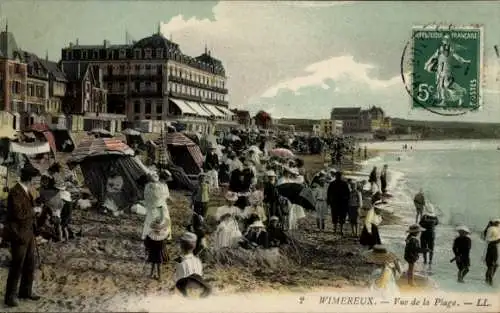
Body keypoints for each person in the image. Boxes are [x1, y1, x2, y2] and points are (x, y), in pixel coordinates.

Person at [4, 165, 41, 307]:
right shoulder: (15, 192)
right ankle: (10, 297)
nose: (34, 183)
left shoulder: (26, 191)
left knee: (30, 264)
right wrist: (34, 210)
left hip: (28, 232)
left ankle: (25, 291)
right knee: (17, 265)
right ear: (29, 179)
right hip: (18, 233)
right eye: (34, 179)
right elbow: (18, 214)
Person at [174, 232, 211, 298]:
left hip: (186, 289)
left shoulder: (179, 262)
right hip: (198, 289)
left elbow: (178, 279)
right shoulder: (198, 261)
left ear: (181, 245)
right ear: (194, 246)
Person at [142, 172, 172, 241]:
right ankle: (161, 235)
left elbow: (146, 197)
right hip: (158, 205)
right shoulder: (156, 186)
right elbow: (159, 196)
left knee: (151, 219)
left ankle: (149, 235)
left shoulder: (149, 186)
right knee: (161, 219)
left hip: (155, 205)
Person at [327, 171, 350, 236]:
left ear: (341, 176)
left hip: (341, 203)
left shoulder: (344, 184)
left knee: (341, 217)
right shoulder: (333, 183)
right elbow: (328, 193)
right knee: (335, 216)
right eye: (337, 176)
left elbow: (348, 194)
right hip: (335, 203)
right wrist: (329, 201)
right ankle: (335, 230)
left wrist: (346, 201)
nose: (338, 177)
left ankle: (340, 230)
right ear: (335, 176)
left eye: (339, 176)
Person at [484, 219, 500, 286]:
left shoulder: (492, 228)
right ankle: (489, 279)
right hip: (493, 247)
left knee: (492, 265)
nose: (498, 224)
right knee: (493, 264)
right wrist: (497, 240)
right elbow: (487, 239)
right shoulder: (491, 229)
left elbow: (486, 238)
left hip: (493, 246)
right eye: (497, 222)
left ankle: (488, 278)